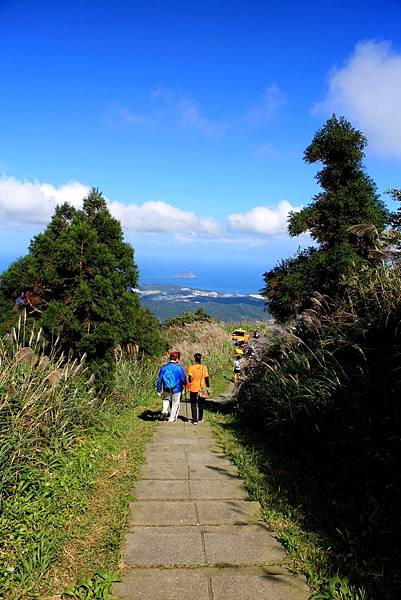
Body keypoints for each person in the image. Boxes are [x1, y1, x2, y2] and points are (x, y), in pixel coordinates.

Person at [157, 351, 186, 422]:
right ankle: (172, 418)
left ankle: (164, 410)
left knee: (166, 399)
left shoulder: (163, 368)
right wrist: (185, 385)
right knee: (175, 403)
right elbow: (183, 379)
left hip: (166, 388)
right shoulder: (179, 368)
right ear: (177, 359)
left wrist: (159, 389)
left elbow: (160, 379)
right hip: (177, 389)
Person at [187, 353, 210, 425]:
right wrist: (208, 386)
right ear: (201, 359)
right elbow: (206, 378)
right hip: (202, 388)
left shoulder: (191, 367)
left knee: (193, 403)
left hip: (193, 387)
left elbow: (189, 378)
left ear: (195, 359)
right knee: (201, 404)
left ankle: (194, 420)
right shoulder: (204, 368)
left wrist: (190, 382)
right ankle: (200, 418)